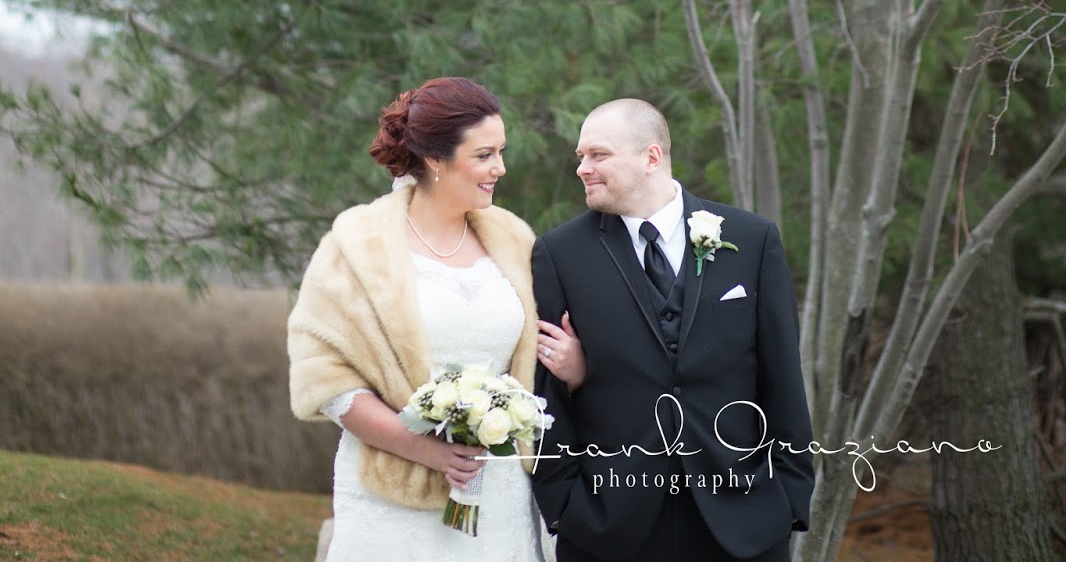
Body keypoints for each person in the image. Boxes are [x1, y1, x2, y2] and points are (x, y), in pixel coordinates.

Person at [288, 76, 576, 561]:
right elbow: (327, 378)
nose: (500, 168)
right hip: (393, 496)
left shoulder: (515, 241)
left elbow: (539, 356)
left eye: (501, 152)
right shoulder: (356, 245)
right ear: (436, 159)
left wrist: (574, 365)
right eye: (484, 155)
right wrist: (426, 450)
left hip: (499, 493)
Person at [530, 98, 815, 562]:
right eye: (580, 156)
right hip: (609, 523)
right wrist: (564, 506)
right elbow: (548, 397)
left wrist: (789, 501)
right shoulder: (559, 254)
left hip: (742, 520)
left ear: (651, 157)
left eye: (598, 155)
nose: (582, 168)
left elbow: (783, 378)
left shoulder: (751, 240)